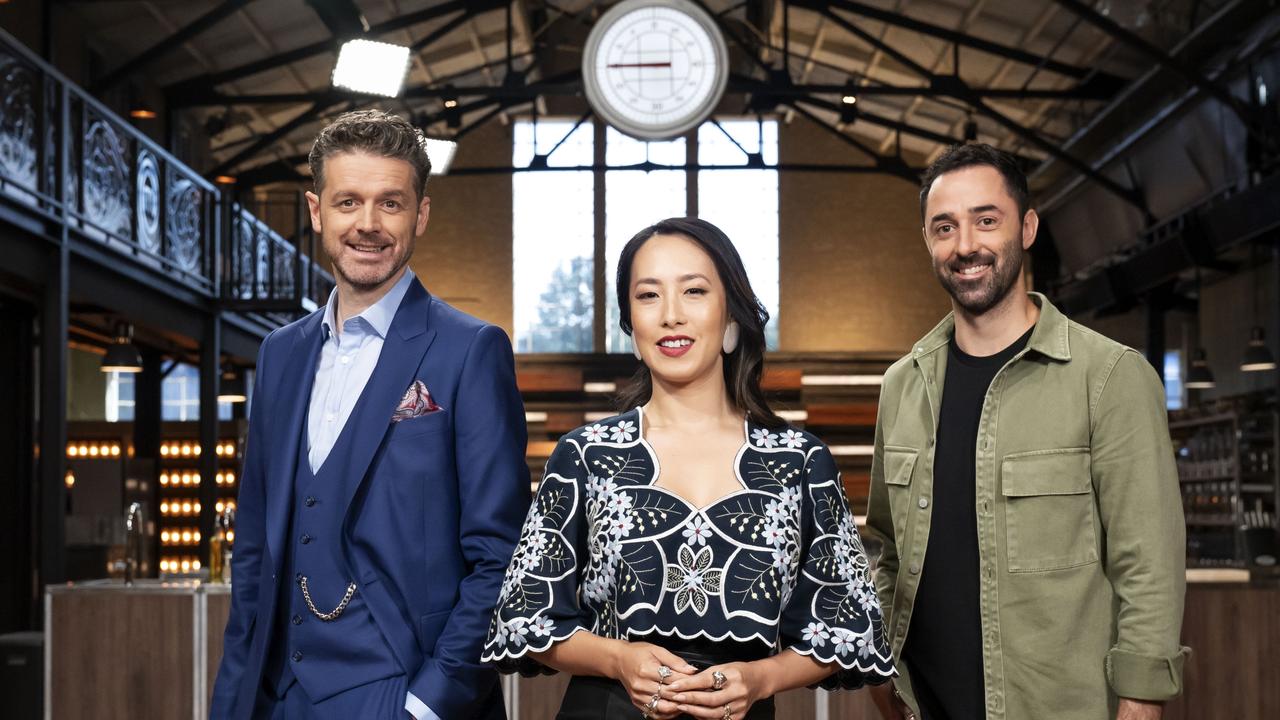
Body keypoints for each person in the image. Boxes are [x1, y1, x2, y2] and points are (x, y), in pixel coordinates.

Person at [483, 217, 894, 720]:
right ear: (632, 327)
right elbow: (524, 618)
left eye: (694, 291)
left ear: (731, 319)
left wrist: (761, 678)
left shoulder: (797, 461)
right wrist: (617, 659)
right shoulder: (586, 456)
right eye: (649, 296)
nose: (671, 315)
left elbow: (848, 621)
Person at [210, 110, 529, 720]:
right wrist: (233, 700)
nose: (367, 224)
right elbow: (254, 550)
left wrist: (428, 703)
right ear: (316, 211)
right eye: (348, 201)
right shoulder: (280, 354)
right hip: (276, 696)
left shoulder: (470, 349)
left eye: (391, 203)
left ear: (421, 216)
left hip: (400, 690)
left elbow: (502, 557)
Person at [866, 143, 1189, 720]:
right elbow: (886, 547)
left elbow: (1149, 563)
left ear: (1028, 227)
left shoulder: (1110, 377)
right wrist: (881, 668)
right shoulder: (902, 385)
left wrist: (1141, 701)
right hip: (923, 705)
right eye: (945, 227)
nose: (966, 246)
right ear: (928, 241)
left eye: (986, 221)